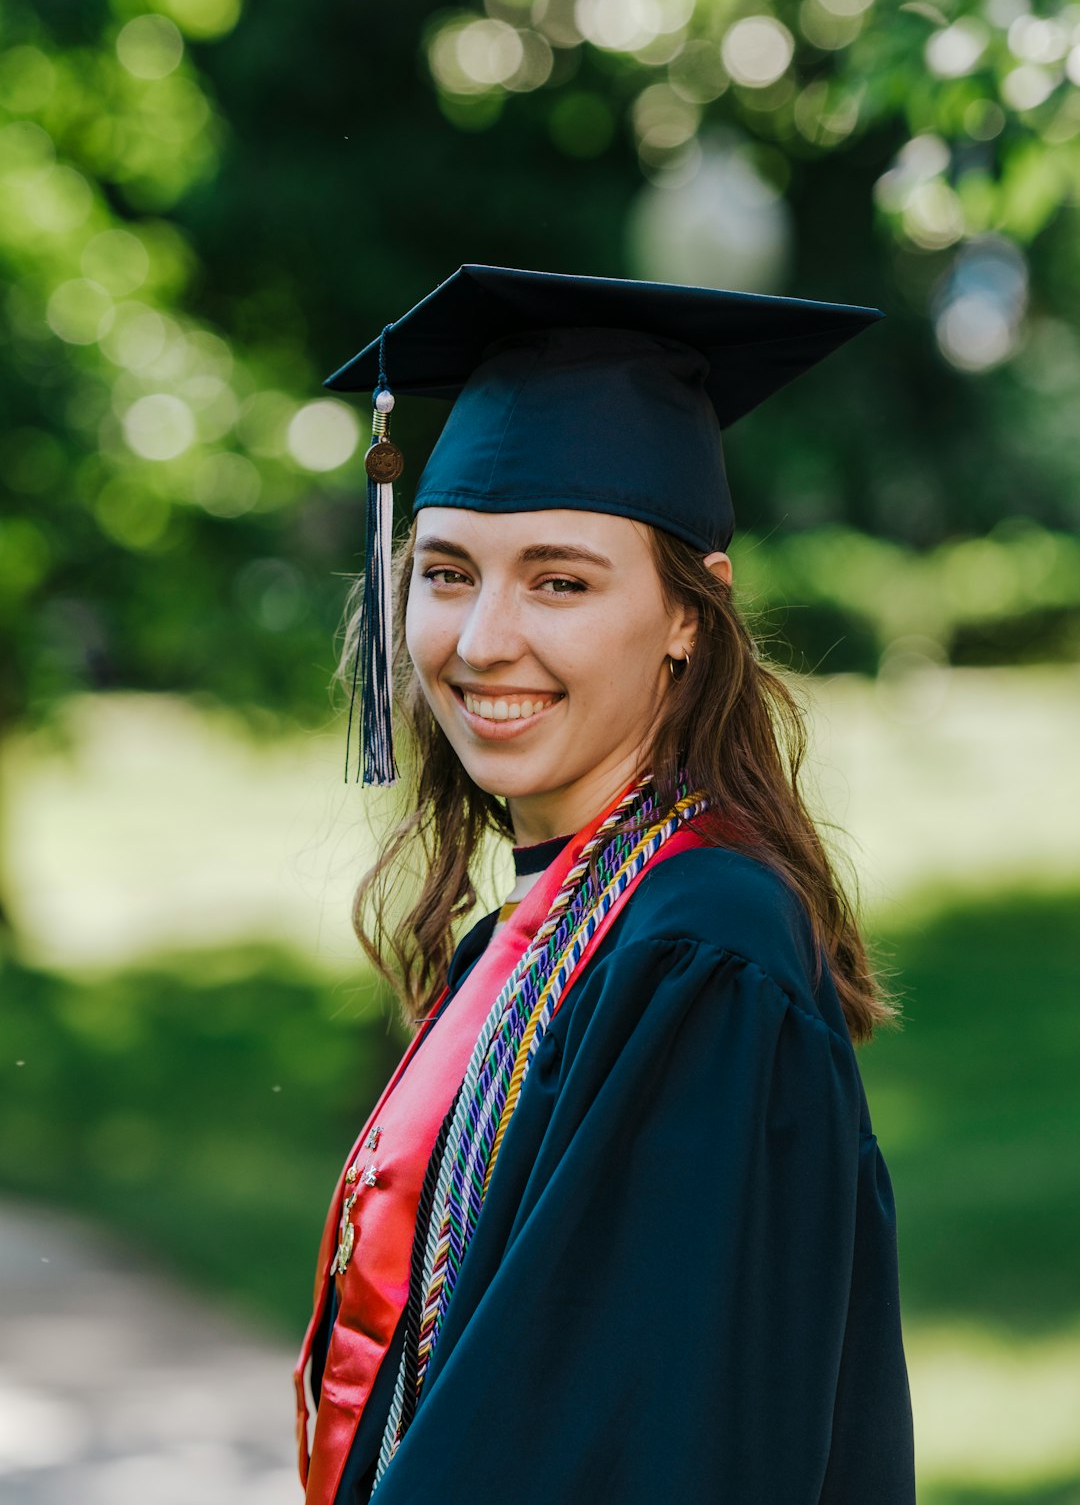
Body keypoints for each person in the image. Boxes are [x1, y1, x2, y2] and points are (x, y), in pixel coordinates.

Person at [293, 265, 916, 1505]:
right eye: (449, 572)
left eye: (561, 581)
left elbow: (611, 1437)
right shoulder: (550, 929)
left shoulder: (700, 952)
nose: (479, 643)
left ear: (693, 610)